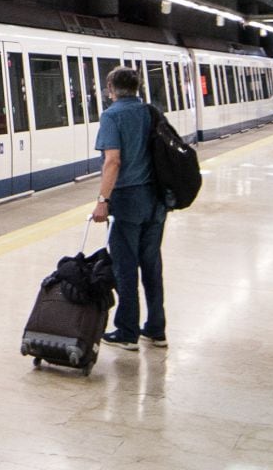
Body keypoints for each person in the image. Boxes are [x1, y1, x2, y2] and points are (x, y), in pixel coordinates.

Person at [91, 66, 168, 351]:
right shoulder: (151, 112)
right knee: (151, 265)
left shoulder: (112, 116)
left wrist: (102, 200)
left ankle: (127, 331)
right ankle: (157, 329)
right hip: (156, 202)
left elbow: (113, 161)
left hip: (127, 202)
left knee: (125, 268)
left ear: (111, 88)